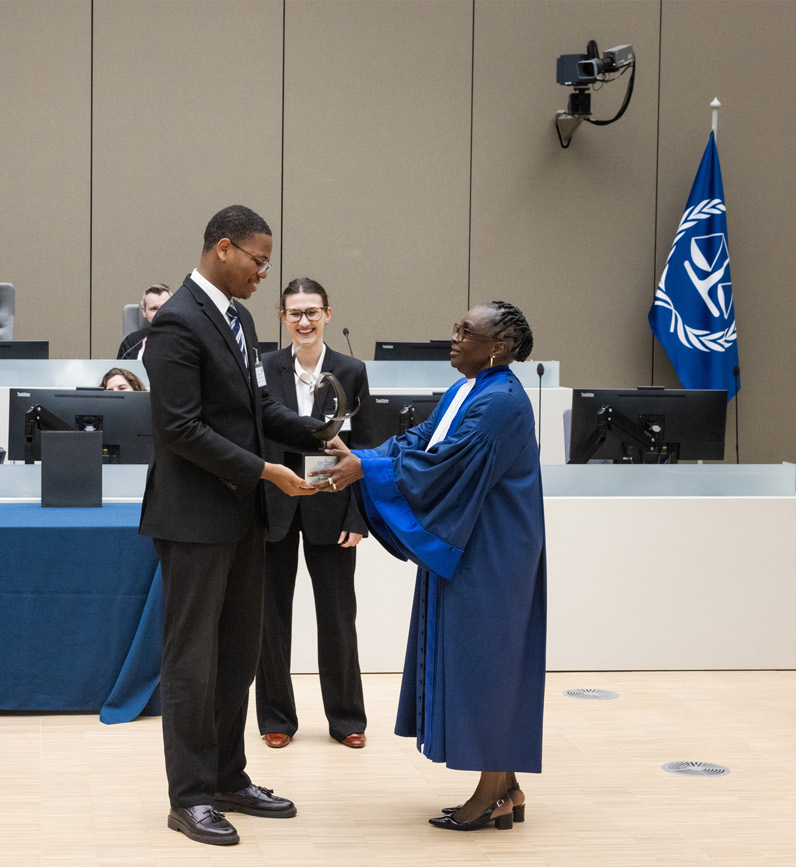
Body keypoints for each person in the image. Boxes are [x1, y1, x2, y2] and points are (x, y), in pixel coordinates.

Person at [141, 205, 350, 847]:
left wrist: (314, 432)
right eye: (258, 261)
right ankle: (190, 796)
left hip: (242, 518)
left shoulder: (238, 317)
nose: (265, 273)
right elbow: (180, 429)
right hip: (195, 518)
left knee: (236, 655)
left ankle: (228, 776)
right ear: (223, 248)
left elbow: (258, 406)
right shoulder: (177, 321)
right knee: (192, 661)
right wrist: (266, 470)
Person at [327, 301, 545, 831]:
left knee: (490, 666)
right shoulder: (469, 390)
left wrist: (367, 469)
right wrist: (363, 457)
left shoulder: (501, 402)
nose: (453, 338)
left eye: (466, 332)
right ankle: (507, 787)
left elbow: (443, 467)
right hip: (470, 543)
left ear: (498, 347)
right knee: (479, 660)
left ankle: (492, 792)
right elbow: (419, 441)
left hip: (494, 553)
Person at [255, 277, 371, 751]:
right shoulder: (263, 368)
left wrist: (359, 518)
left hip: (333, 505)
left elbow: (365, 450)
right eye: (294, 313)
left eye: (312, 312)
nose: (304, 321)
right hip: (274, 507)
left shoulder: (352, 369)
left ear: (328, 314)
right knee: (269, 619)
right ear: (283, 318)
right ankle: (276, 718)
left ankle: (346, 719)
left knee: (339, 618)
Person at [117, 283, 171, 359]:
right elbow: (120, 369)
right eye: (154, 308)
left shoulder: (186, 337)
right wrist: (142, 354)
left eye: (165, 307)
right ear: (144, 311)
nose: (159, 313)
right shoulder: (131, 342)